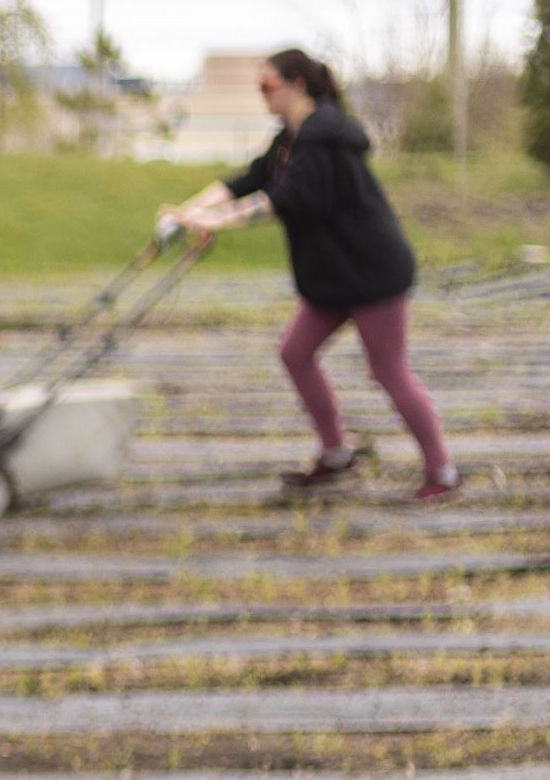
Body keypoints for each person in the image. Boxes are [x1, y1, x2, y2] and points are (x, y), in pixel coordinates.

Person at [162, 48, 459, 501]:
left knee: (387, 370)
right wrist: (188, 212)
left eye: (267, 86)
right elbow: (247, 181)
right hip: (333, 276)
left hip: (371, 272)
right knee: (295, 352)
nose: (261, 95)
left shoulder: (323, 136)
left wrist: (214, 222)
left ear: (296, 84)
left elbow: (284, 199)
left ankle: (442, 471)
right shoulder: (290, 138)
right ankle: (335, 453)